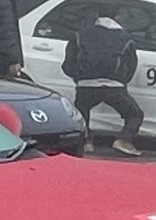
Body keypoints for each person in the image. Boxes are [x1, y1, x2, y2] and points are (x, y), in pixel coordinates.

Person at [62, 12, 144, 155]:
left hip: (85, 85)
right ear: (117, 18)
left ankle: (86, 141)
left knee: (81, 112)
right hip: (114, 86)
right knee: (135, 114)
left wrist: (79, 77)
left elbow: (67, 65)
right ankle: (124, 139)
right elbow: (131, 66)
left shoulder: (79, 35)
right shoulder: (126, 38)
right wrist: (120, 80)